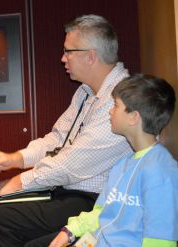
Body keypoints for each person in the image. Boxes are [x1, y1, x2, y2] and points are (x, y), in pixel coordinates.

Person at [0, 14, 133, 247]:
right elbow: (58, 138)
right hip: (69, 190)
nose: (63, 58)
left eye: (68, 51)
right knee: (0, 215)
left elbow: (72, 164)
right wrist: (15, 159)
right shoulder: (85, 92)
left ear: (90, 56)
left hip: (97, 201)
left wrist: (19, 182)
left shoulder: (120, 99)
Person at [49, 74, 178, 247]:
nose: (110, 110)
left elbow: (160, 240)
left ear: (133, 117)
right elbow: (103, 213)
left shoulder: (161, 171)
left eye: (116, 105)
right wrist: (71, 231)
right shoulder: (123, 164)